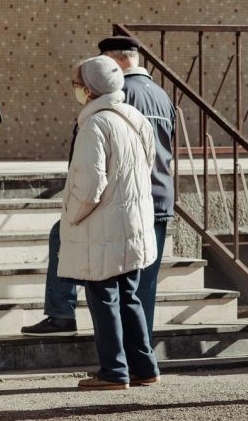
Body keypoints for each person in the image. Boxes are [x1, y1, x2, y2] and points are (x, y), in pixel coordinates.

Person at [23, 36, 176, 338]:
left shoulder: (117, 96)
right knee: (140, 287)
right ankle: (139, 355)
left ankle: (66, 316)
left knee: (98, 274)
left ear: (113, 62)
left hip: (119, 200)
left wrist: (76, 206)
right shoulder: (162, 96)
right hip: (157, 197)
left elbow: (101, 165)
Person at [61, 56, 160, 390]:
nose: (76, 90)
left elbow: (90, 184)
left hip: (101, 227)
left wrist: (72, 216)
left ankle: (114, 371)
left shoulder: (94, 125)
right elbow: (147, 166)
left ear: (88, 90)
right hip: (132, 223)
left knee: (103, 298)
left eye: (77, 85)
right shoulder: (134, 117)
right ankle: (144, 367)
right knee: (129, 296)